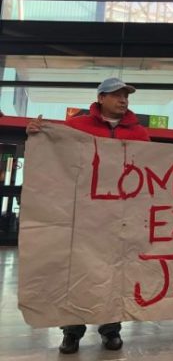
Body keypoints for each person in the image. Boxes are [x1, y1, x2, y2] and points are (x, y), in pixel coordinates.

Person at [26, 77, 150, 355]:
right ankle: (72, 331)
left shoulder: (139, 133)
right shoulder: (77, 126)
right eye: (116, 95)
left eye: (126, 96)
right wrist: (36, 133)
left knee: (116, 273)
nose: (123, 100)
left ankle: (111, 329)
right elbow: (55, 152)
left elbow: (153, 165)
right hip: (82, 217)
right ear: (101, 98)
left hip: (121, 218)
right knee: (78, 273)